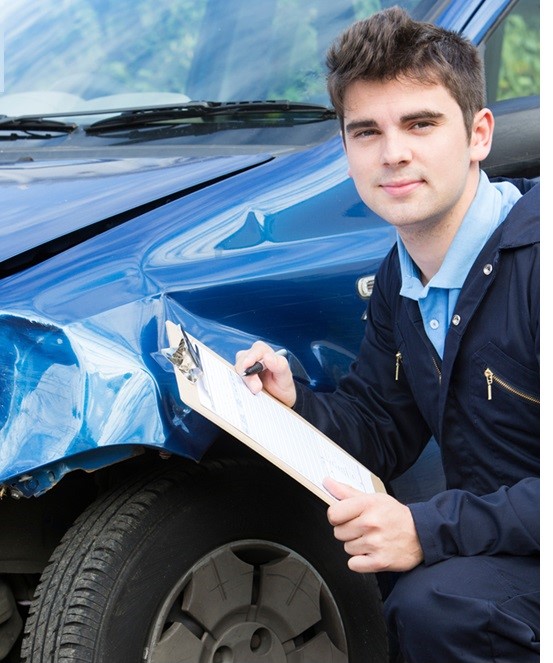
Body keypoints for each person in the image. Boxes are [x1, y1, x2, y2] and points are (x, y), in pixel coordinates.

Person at [235, 6, 539, 663]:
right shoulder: (401, 279)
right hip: (514, 545)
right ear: (345, 149)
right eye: (365, 131)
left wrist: (425, 529)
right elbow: (382, 427)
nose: (392, 152)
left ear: (478, 133)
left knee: (440, 607)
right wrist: (297, 405)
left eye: (420, 123)